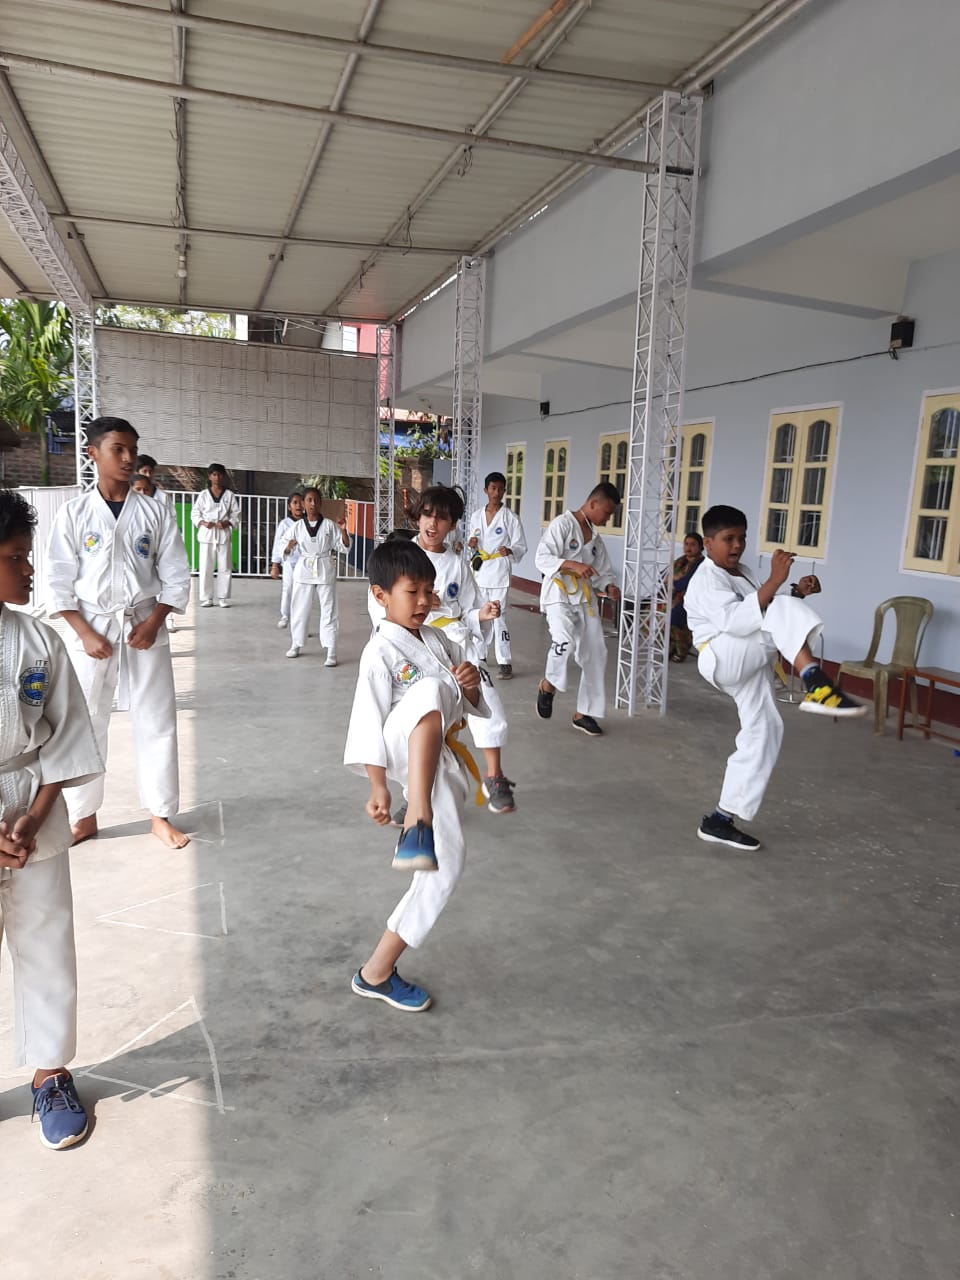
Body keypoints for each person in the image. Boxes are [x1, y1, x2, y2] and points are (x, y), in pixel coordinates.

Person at [344, 539, 492, 1012]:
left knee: (446, 865)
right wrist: (377, 786)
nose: (425, 602)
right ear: (381, 595)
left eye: (429, 591)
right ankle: (417, 810)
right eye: (413, 592)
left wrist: (469, 684)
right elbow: (367, 720)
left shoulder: (437, 640)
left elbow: (466, 704)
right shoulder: (378, 652)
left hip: (436, 755)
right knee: (427, 689)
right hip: (399, 745)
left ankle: (378, 969)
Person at [0, 490, 104, 1149]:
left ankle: (50, 1073)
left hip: (32, 804)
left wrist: (36, 815)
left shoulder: (39, 641)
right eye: (15, 557)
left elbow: (66, 736)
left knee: (46, 940)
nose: (29, 569)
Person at [46, 416, 192, 850]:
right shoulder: (74, 513)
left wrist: (155, 621)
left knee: (156, 719)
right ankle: (83, 815)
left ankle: (160, 814)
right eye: (118, 450)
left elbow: (176, 575)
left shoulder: (155, 512)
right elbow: (58, 581)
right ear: (92, 453)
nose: (129, 458)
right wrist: (83, 632)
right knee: (85, 720)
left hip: (143, 622)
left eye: (133, 449)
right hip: (91, 626)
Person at [684, 504, 866, 851]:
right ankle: (815, 682)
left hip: (748, 657)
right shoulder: (706, 578)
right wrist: (775, 583)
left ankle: (720, 819)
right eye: (728, 539)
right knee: (781, 609)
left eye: (742, 537)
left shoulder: (742, 572)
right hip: (722, 655)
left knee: (765, 730)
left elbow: (762, 609)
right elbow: (739, 620)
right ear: (708, 543)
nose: (737, 545)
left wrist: (795, 592)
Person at [371, 486, 517, 816]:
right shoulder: (400, 556)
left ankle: (494, 776)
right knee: (420, 719)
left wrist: (482, 614)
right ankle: (413, 793)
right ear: (417, 517)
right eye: (427, 515)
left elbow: (467, 610)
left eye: (442, 518)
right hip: (413, 647)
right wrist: (419, 604)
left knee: (487, 700)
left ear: (452, 525)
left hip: (455, 642)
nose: (433, 524)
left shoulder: (457, 566)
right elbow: (381, 604)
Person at [535, 481, 622, 737]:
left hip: (585, 599)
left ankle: (584, 713)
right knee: (564, 642)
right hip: (559, 594)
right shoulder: (562, 525)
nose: (607, 519)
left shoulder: (595, 538)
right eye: (606, 512)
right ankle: (548, 685)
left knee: (597, 652)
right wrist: (572, 565)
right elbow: (542, 558)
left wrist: (609, 586)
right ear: (593, 503)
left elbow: (603, 570)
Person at [466, 471, 527, 679]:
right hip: (480, 572)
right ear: (486, 490)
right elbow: (472, 540)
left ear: (504, 491)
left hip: (499, 573)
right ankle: (480, 656)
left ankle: (505, 662)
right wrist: (472, 543)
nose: (497, 493)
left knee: (499, 618)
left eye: (500, 489)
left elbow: (520, 545)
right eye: (493, 488)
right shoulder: (476, 516)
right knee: (481, 616)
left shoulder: (510, 518)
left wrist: (509, 550)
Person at [282, 487, 349, 664]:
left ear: (321, 503)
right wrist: (289, 547)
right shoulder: (297, 527)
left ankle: (331, 650)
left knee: (329, 610)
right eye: (309, 500)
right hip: (304, 569)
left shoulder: (329, 525)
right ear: (303, 504)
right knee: (299, 609)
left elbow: (344, 547)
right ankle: (296, 643)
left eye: (316, 500)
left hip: (324, 568)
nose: (313, 503)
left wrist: (343, 530)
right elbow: (285, 550)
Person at [191, 463, 240, 608]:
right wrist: (203, 522)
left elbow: (236, 514)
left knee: (225, 567)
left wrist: (227, 522)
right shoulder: (204, 495)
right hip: (207, 534)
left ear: (223, 476)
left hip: (223, 534)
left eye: (219, 474)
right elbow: (195, 513)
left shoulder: (229, 495)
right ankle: (207, 598)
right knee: (206, 566)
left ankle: (223, 597)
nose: (217, 477)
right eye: (214, 474)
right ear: (210, 476)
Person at [270, 491, 304, 630]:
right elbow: (277, 545)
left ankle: (300, 622)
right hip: (289, 561)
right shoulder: (284, 524)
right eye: (295, 503)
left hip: (305, 563)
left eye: (301, 502)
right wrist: (275, 565)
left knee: (302, 592)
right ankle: (285, 616)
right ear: (289, 507)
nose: (298, 505)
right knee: (288, 588)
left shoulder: (308, 522)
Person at [669, 532, 705, 662]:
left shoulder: (701, 563)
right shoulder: (680, 561)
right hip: (674, 596)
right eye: (686, 544)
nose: (688, 547)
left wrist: (673, 584)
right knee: (654, 612)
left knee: (673, 617)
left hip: (692, 598)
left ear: (701, 547)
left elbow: (689, 581)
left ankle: (682, 648)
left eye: (693, 544)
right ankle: (672, 646)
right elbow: (666, 576)